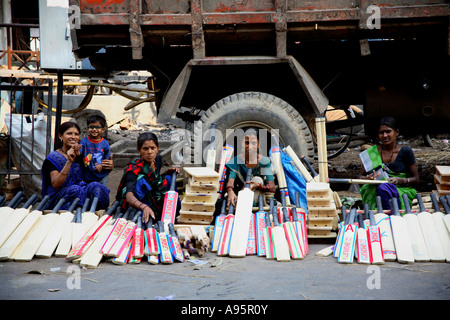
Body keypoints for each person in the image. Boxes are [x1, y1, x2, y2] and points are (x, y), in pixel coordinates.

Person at [41, 121, 110, 211]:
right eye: (69, 133)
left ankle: (95, 214)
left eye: (76, 134)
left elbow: (94, 173)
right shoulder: (54, 157)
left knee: (96, 186)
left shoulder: (81, 155)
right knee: (76, 190)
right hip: (60, 196)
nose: (73, 137)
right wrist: (69, 161)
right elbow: (56, 185)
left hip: (80, 191)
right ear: (60, 136)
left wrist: (107, 166)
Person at [115, 132, 180, 223]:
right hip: (140, 201)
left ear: (157, 148)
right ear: (139, 150)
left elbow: (155, 179)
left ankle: (172, 215)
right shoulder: (133, 169)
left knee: (169, 178)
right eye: (145, 149)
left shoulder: (157, 159)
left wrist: (168, 172)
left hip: (152, 196)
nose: (150, 152)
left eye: (152, 148)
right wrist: (144, 207)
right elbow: (129, 196)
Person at [359, 117, 419, 212]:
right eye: (381, 132)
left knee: (384, 188)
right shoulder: (372, 152)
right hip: (376, 188)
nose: (385, 135)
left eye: (388, 131)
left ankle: (391, 214)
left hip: (399, 190)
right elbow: (359, 178)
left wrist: (399, 180)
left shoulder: (406, 152)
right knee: (377, 188)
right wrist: (368, 179)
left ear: (397, 132)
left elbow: (416, 179)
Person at [225, 128, 276, 207]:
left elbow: (272, 187)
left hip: (259, 196)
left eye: (253, 143)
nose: (250, 147)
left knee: (257, 179)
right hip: (241, 194)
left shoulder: (264, 162)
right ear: (242, 143)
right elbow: (231, 181)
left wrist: (258, 186)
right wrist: (230, 191)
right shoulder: (235, 161)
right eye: (246, 143)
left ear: (258, 144)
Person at [79, 115, 113, 188]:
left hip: (102, 176)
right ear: (88, 128)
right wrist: (76, 150)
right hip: (88, 176)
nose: (94, 129)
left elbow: (107, 158)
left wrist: (102, 165)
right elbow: (79, 153)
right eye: (91, 127)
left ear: (103, 129)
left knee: (102, 193)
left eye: (97, 127)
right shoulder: (84, 142)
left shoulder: (105, 143)